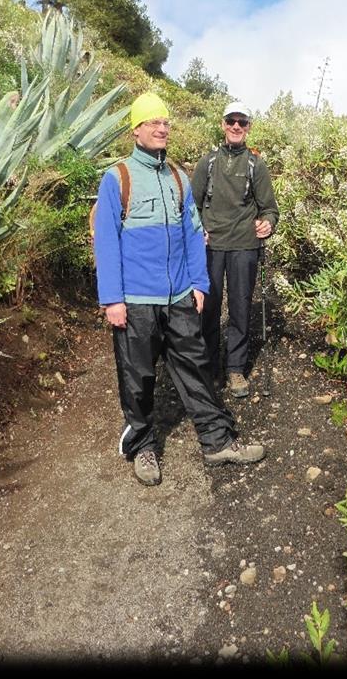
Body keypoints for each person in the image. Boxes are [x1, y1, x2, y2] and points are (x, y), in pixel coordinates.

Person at [93, 92, 266, 486]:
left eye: (165, 122)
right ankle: (142, 446)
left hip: (178, 298)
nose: (161, 128)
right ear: (135, 129)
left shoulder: (177, 177)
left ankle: (217, 441)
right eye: (152, 122)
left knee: (197, 369)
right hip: (135, 301)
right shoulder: (116, 177)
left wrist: (199, 283)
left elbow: (192, 234)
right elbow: (105, 241)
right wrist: (112, 300)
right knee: (137, 377)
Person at [191, 101, 280, 398]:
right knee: (209, 308)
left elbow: (270, 209)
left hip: (244, 245)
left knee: (241, 308)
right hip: (211, 244)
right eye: (232, 121)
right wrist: (197, 230)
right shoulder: (208, 162)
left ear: (249, 127)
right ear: (223, 124)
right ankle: (208, 366)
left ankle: (235, 369)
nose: (236, 127)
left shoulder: (257, 165)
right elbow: (192, 205)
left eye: (242, 122)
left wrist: (267, 224)